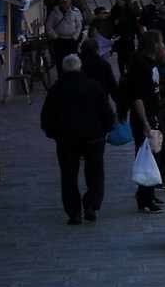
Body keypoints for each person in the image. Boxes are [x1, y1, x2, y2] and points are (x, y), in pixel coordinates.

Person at [40, 54, 118, 225]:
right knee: (95, 173)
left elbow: (47, 117)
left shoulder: (57, 89)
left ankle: (73, 212)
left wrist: (54, 134)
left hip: (66, 139)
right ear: (80, 67)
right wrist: (105, 129)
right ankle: (92, 204)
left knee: (68, 176)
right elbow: (106, 112)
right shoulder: (92, 86)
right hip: (93, 138)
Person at [120, 31, 165, 213]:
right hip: (147, 117)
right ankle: (145, 198)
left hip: (155, 113)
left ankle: (148, 193)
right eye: (161, 43)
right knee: (149, 154)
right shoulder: (140, 67)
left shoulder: (152, 64)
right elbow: (137, 97)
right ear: (154, 45)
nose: (163, 46)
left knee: (158, 153)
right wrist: (145, 124)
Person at [44, 0, 86, 68]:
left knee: (72, 59)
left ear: (68, 3)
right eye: (61, 2)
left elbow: (79, 26)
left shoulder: (75, 13)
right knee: (60, 60)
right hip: (59, 40)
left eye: (65, 2)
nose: (63, 4)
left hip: (72, 40)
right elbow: (48, 25)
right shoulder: (54, 13)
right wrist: (55, 37)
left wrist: (75, 38)